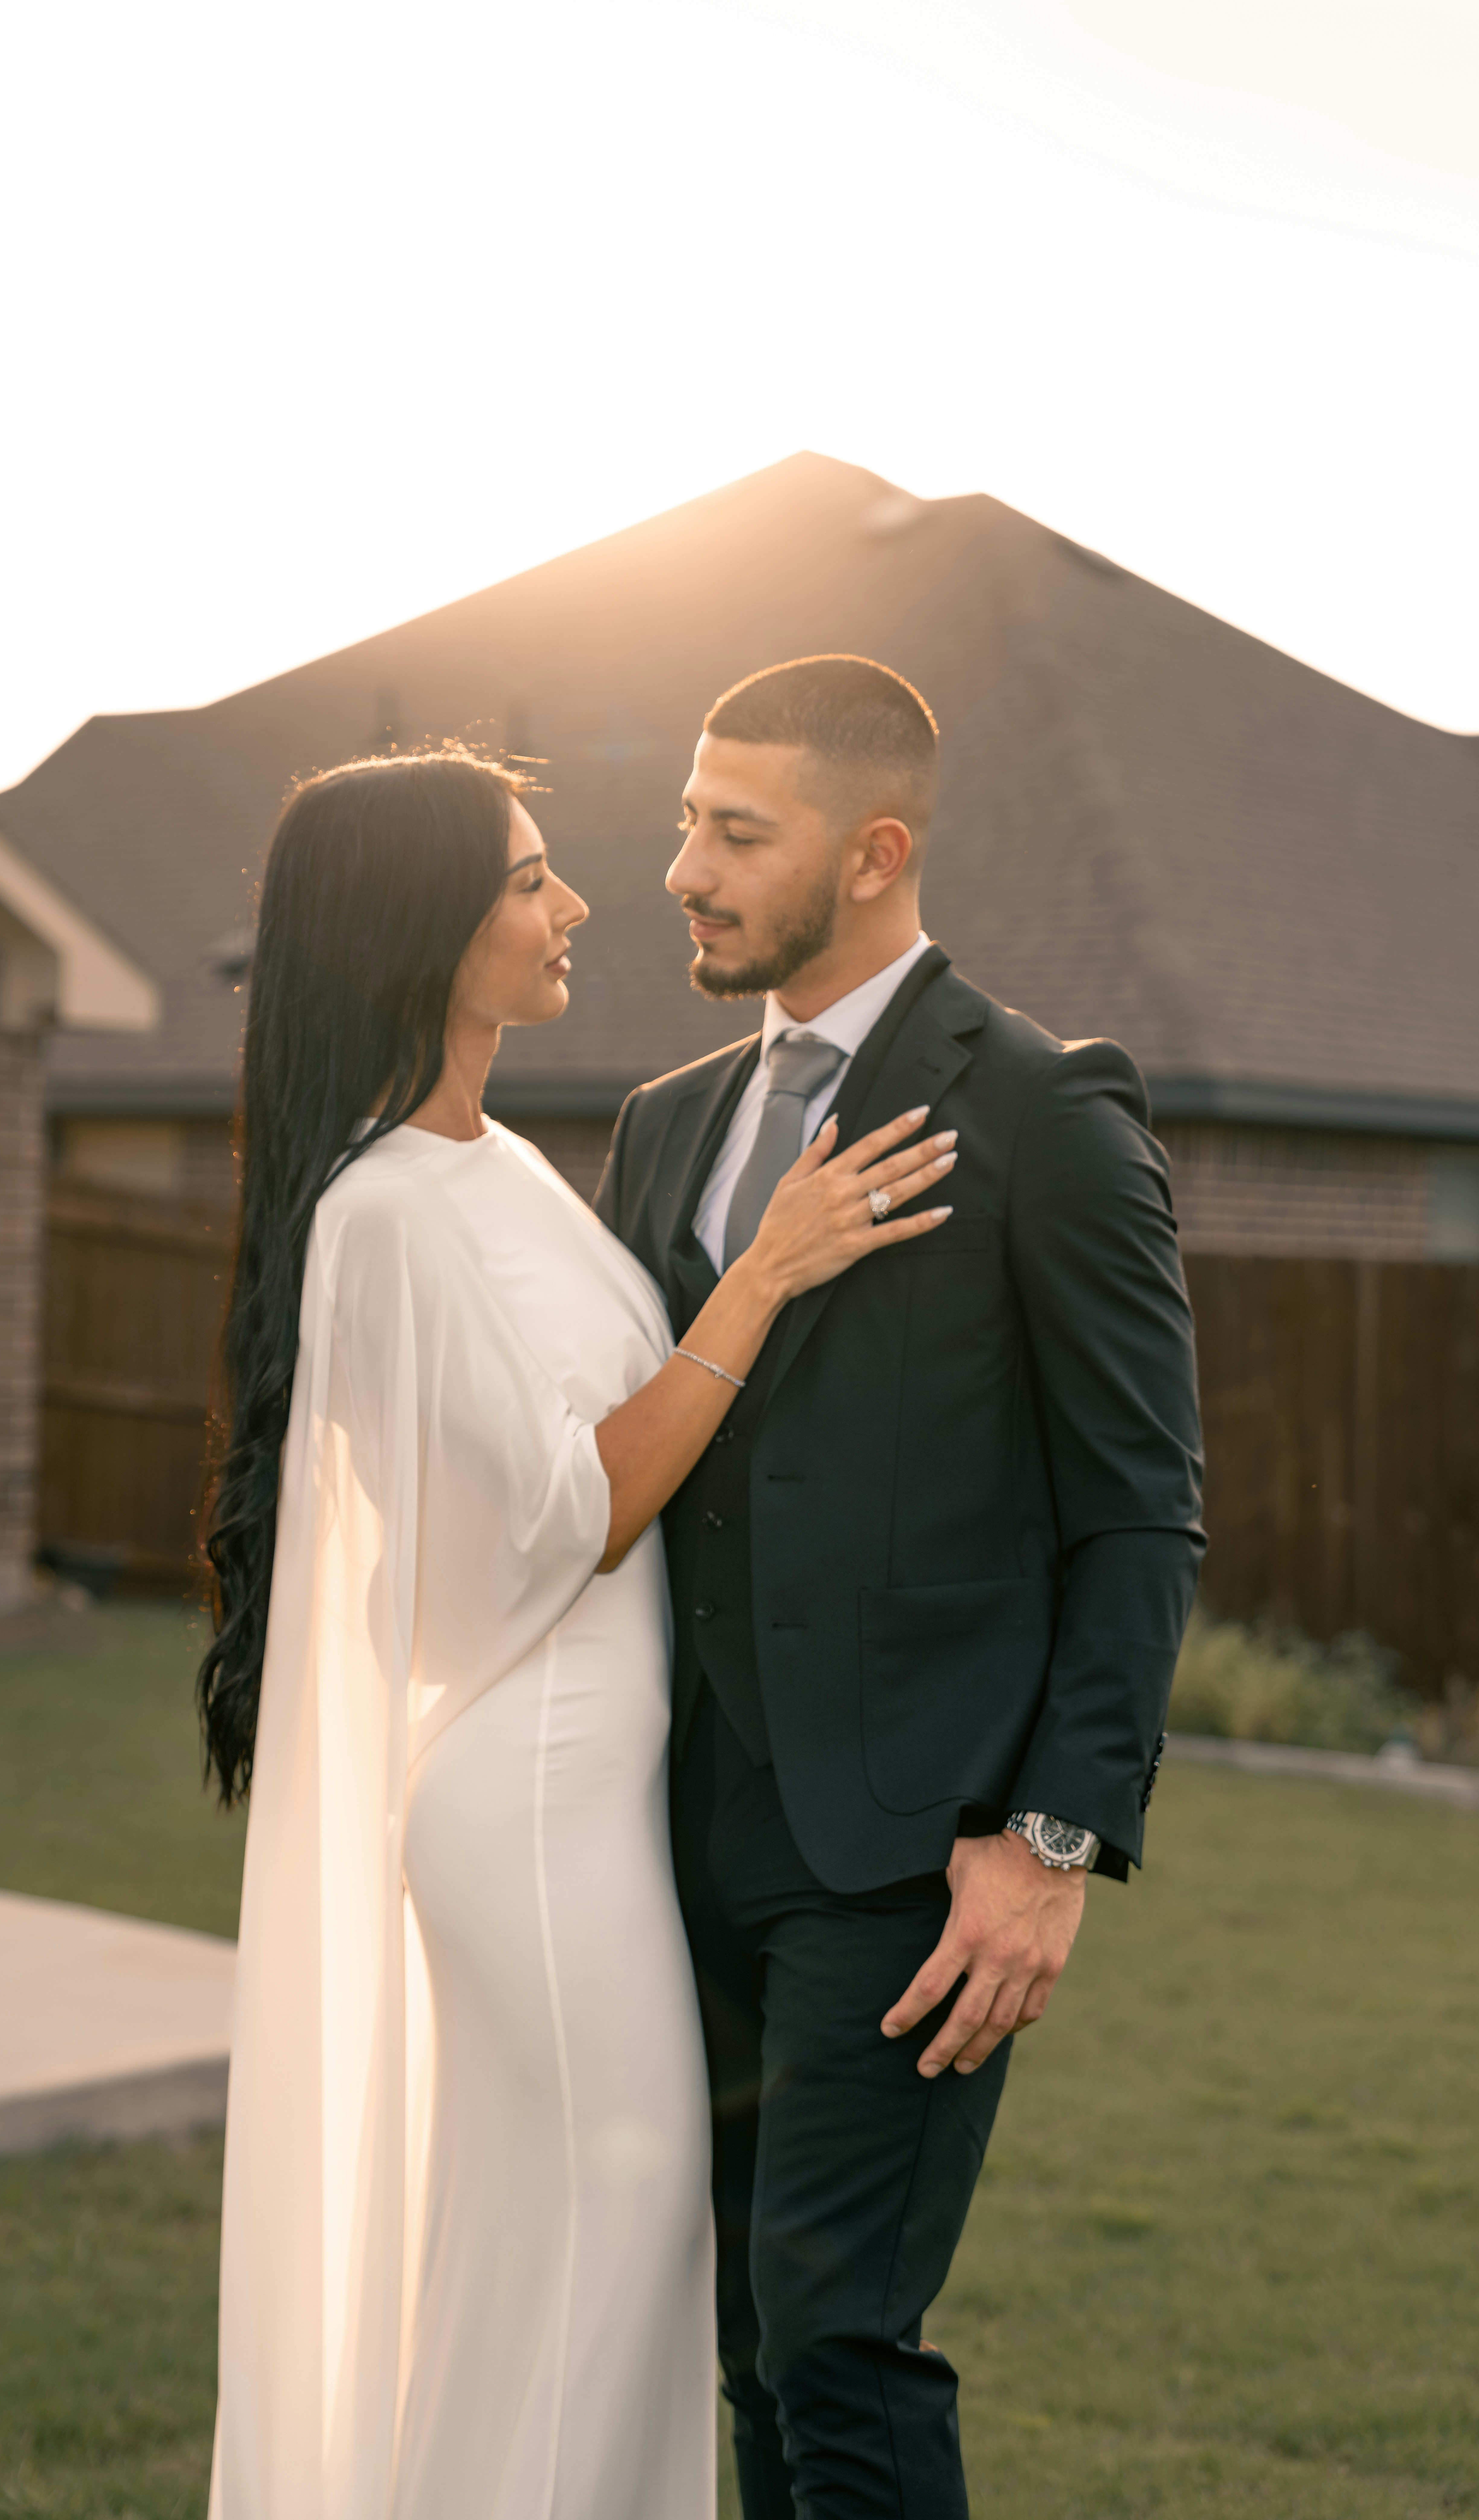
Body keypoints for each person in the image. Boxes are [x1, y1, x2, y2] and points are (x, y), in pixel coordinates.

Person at [196, 745, 960, 2520]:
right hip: (528, 1826)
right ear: (420, 925)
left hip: (596, 1814)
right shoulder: (387, 1211)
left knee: (574, 2282)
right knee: (593, 2278)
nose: (578, 906)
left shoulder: (504, 1172)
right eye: (530, 878)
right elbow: (577, 1510)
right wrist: (766, 1273)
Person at [596, 654, 1206, 2519]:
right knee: (740, 2342)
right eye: (686, 824)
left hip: (908, 1860)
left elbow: (1139, 1513)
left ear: (871, 854)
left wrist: (1052, 1839)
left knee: (837, 2345)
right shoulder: (664, 1123)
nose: (683, 872)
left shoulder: (1041, 1112)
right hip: (671, 1840)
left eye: (735, 834)